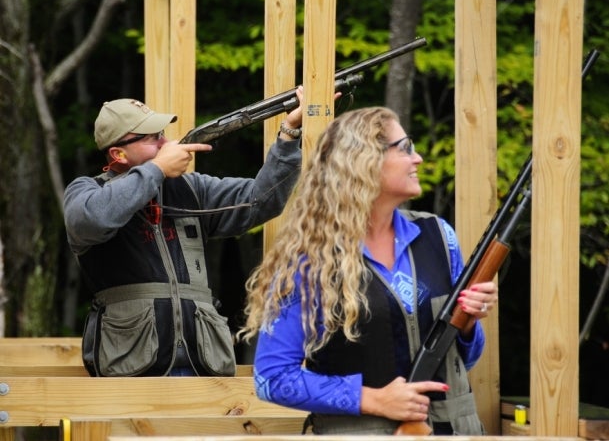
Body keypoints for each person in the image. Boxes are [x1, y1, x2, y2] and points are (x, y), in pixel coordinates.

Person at [239, 106, 498, 435]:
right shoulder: (310, 261)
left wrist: (469, 322)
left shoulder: (439, 236)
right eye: (405, 148)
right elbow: (271, 378)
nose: (417, 159)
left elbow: (465, 361)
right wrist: (372, 400)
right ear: (363, 161)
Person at [63, 92, 304, 377]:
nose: (166, 143)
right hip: (129, 368)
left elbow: (260, 201)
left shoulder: (191, 188)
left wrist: (289, 134)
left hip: (202, 363)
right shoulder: (87, 192)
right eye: (152, 138)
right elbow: (93, 218)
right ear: (119, 154)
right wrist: (157, 169)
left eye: (162, 134)